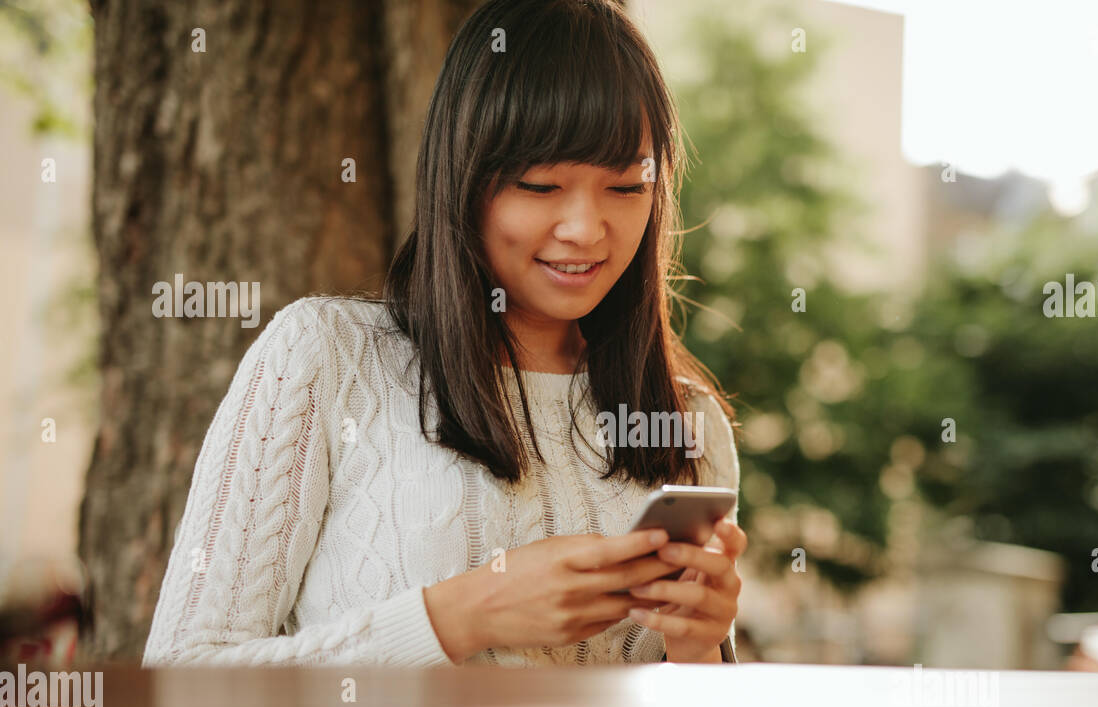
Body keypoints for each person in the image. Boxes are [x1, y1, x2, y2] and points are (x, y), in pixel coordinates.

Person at [143, 0, 745, 668]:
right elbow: (180, 677)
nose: (585, 228)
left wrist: (698, 644)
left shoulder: (688, 423)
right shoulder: (326, 358)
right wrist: (462, 614)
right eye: (540, 185)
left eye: (626, 188)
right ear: (461, 177)